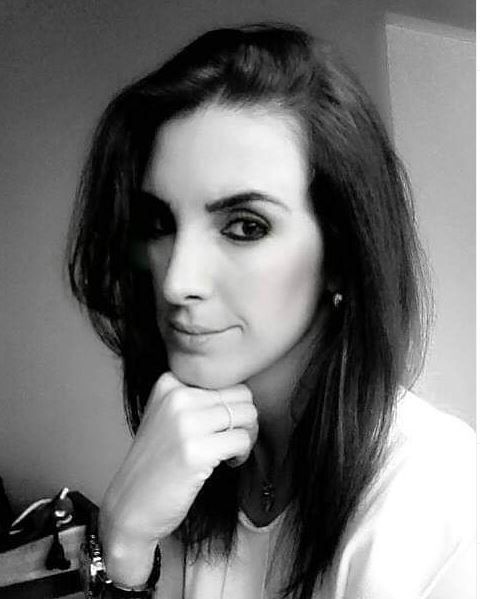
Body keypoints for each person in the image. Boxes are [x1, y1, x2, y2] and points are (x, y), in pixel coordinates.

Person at [67, 23, 475, 599]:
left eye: (245, 227)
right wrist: (125, 544)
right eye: (159, 223)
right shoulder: (193, 462)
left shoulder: (437, 500)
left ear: (341, 253)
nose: (177, 281)